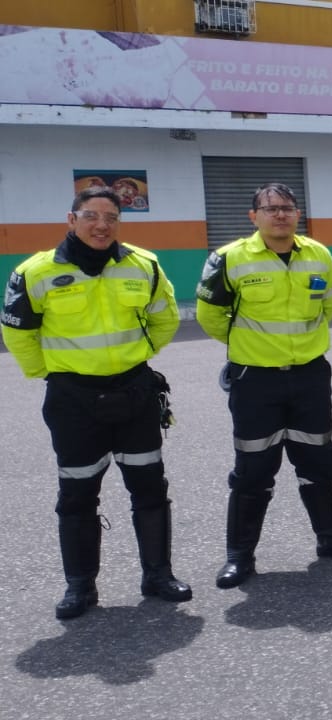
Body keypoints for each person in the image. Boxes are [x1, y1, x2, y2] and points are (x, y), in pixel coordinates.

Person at [1, 188, 191, 619]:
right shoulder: (36, 271)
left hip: (135, 393)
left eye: (111, 217)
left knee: (149, 487)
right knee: (78, 493)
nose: (101, 224)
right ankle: (80, 587)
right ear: (72, 219)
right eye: (91, 215)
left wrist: (137, 357)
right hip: (73, 401)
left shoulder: (144, 265)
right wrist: (49, 373)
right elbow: (17, 332)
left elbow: (165, 317)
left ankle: (158, 575)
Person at [196, 183, 332, 589]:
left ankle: (331, 538)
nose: (280, 215)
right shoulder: (229, 259)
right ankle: (239, 556)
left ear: (298, 214)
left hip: (310, 375)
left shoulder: (319, 255)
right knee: (254, 468)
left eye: (288, 208)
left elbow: (327, 305)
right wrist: (249, 345)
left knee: (319, 460)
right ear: (253, 216)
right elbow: (210, 316)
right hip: (255, 378)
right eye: (271, 208)